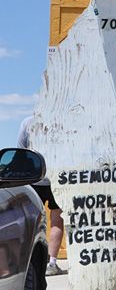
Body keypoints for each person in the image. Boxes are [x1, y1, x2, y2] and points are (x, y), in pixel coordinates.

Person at [16, 116, 64, 276]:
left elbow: (21, 151)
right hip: (58, 178)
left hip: (33, 178)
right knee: (57, 219)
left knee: (29, 221)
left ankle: (28, 262)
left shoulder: (28, 122)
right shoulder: (63, 120)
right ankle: (51, 263)